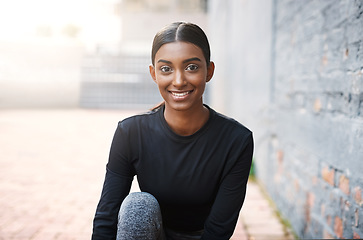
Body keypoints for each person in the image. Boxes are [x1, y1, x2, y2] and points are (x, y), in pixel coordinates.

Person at [92, 22, 254, 240]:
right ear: (154, 74)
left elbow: (219, 229)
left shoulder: (236, 140)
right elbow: (107, 215)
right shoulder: (130, 132)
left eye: (191, 67)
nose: (178, 81)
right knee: (138, 206)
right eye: (166, 69)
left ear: (209, 71)